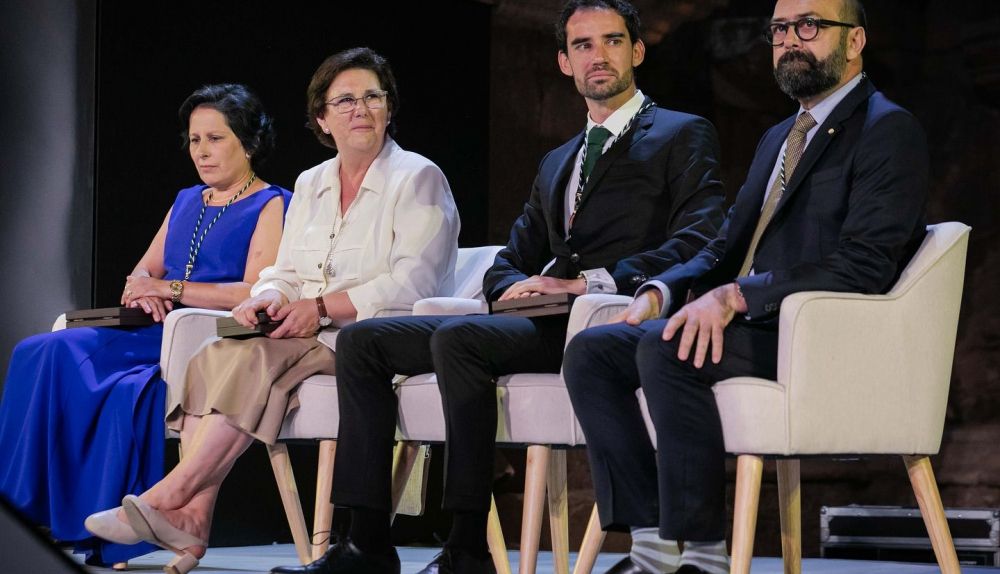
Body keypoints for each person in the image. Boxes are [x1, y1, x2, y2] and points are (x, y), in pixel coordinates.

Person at [272, 2, 727, 573]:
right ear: (564, 62)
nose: (598, 55)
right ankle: (365, 543)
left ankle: (466, 547)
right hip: (541, 321)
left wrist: (588, 280)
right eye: (582, 45)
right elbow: (508, 261)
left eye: (612, 41)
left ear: (637, 51)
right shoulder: (559, 160)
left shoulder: (682, 134)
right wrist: (517, 285)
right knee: (366, 342)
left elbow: (699, 238)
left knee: (458, 340)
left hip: (609, 319)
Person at [563, 1, 930, 573]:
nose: (789, 40)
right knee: (590, 351)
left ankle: (704, 554)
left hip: (813, 336)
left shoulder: (887, 129)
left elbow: (865, 263)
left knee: (666, 347)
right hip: (752, 324)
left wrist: (737, 296)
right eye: (780, 29)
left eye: (809, 25)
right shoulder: (780, 136)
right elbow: (724, 245)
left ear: (855, 41)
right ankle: (653, 543)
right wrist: (661, 290)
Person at [84, 47, 460, 574]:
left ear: (389, 109)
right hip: (304, 330)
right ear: (322, 118)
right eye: (344, 100)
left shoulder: (418, 178)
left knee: (257, 360)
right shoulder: (311, 183)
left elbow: (412, 280)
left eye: (372, 97)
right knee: (216, 355)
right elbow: (284, 271)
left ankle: (169, 496)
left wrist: (321, 306)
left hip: (369, 338)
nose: (360, 109)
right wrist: (267, 298)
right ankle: (192, 520)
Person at [0, 83, 291, 568]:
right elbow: (141, 274)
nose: (201, 151)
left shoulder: (272, 203)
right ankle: (23, 506)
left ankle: (86, 517)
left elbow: (252, 292)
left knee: (93, 373)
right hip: (154, 331)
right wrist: (142, 290)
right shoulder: (185, 200)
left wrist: (170, 291)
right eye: (195, 140)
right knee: (38, 349)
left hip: (211, 336)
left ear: (249, 142)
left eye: (215, 138)